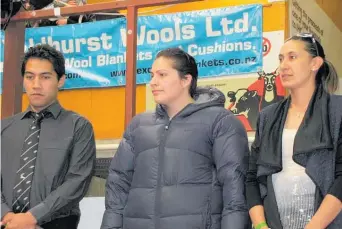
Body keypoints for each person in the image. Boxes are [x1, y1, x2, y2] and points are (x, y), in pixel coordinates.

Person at [101, 47, 250, 229]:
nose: (153, 82)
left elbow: (234, 191)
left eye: (162, 75)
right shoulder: (138, 125)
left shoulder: (220, 122)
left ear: (186, 80)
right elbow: (118, 186)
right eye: (152, 75)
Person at [246, 33, 342, 229]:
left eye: (292, 57)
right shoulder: (267, 117)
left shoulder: (337, 111)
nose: (283, 66)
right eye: (281, 59)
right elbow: (252, 176)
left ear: (315, 63)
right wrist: (260, 224)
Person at [1, 44, 96, 229]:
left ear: (60, 80)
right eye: (30, 77)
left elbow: (77, 182)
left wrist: (32, 217)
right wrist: (6, 215)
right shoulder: (4, 128)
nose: (36, 85)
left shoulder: (79, 127)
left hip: (56, 224)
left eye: (45, 77)